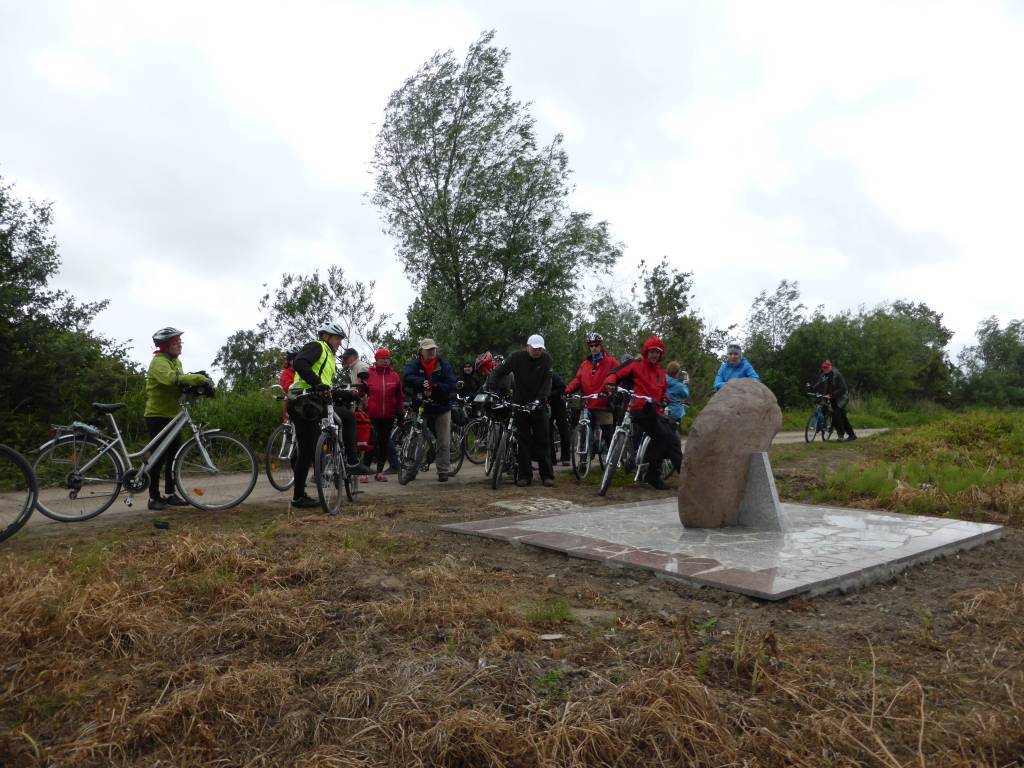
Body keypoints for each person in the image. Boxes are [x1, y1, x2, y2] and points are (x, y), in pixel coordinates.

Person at [287, 322, 372, 508]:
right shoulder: (318, 346)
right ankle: (352, 462)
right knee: (346, 419)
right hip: (304, 401)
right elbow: (300, 363)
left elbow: (327, 386)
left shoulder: (329, 357)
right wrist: (317, 383)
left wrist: (347, 394)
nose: (339, 343)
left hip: (313, 401)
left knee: (308, 450)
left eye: (340, 340)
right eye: (337, 339)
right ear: (326, 336)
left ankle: (300, 496)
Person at [145, 328, 214, 510]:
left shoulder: (176, 361)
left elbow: (180, 383)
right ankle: (153, 498)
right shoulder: (158, 362)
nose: (180, 346)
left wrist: (198, 387)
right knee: (157, 458)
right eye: (176, 343)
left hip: (173, 415)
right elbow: (171, 379)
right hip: (158, 415)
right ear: (166, 346)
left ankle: (170, 494)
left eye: (180, 343)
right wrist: (196, 377)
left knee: (173, 456)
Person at [604, 336, 682, 490]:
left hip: (654, 412)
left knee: (672, 436)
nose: (654, 355)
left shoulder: (661, 373)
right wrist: (611, 382)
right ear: (646, 352)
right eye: (652, 352)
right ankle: (653, 475)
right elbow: (615, 373)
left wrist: (665, 399)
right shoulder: (636, 364)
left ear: (661, 355)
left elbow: (663, 393)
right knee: (663, 435)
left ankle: (686, 477)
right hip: (638, 409)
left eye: (657, 353)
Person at [487, 334, 554, 487]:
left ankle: (547, 475)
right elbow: (498, 371)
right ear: (528, 347)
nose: (537, 351)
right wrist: (492, 389)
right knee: (522, 441)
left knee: (543, 440)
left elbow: (547, 382)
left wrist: (540, 399)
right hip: (520, 403)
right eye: (534, 348)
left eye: (540, 349)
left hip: (538, 404)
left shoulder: (546, 359)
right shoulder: (516, 357)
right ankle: (524, 475)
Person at [402, 338, 457, 482]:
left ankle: (443, 471)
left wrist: (436, 385)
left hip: (441, 407)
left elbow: (451, 384)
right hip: (421, 406)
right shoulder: (414, 364)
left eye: (433, 349)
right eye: (428, 349)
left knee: (443, 440)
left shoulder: (444, 365)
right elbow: (406, 377)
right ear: (421, 351)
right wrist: (421, 382)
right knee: (416, 437)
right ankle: (411, 470)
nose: (432, 351)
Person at [565, 332, 619, 450]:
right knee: (583, 432)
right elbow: (578, 380)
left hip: (603, 403)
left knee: (608, 435)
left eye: (596, 345)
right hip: (588, 404)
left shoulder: (611, 362)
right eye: (591, 345)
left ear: (601, 345)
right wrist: (568, 391)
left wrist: (612, 390)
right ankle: (584, 456)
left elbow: (619, 375)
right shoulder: (585, 364)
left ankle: (611, 458)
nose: (594, 348)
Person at [360, 348, 404, 481]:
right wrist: (362, 393)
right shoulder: (369, 374)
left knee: (384, 443)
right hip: (372, 415)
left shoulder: (394, 376)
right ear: (376, 360)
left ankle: (379, 472)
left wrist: (400, 414)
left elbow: (399, 397)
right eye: (382, 358)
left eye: (387, 358)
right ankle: (365, 471)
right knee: (372, 442)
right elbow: (360, 392)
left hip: (389, 415)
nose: (385, 361)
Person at [815, 360, 857, 441]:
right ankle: (852, 435)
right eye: (823, 367)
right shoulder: (823, 375)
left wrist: (832, 394)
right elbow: (818, 385)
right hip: (831, 397)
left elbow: (843, 388)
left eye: (826, 367)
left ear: (830, 367)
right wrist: (812, 389)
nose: (825, 369)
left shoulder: (837, 375)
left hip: (842, 398)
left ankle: (841, 434)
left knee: (836, 414)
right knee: (842, 416)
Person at [547, 370, 571, 466]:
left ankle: (566, 458)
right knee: (547, 432)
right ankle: (551, 458)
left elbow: (562, 387)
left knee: (563, 431)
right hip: (547, 406)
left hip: (558, 405)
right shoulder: (537, 376)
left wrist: (550, 394)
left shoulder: (553, 375)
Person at [278, 348, 299, 421]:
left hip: (303, 406)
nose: (299, 360)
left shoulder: (300, 372)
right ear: (290, 360)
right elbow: (289, 389)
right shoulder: (285, 373)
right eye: (296, 358)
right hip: (292, 407)